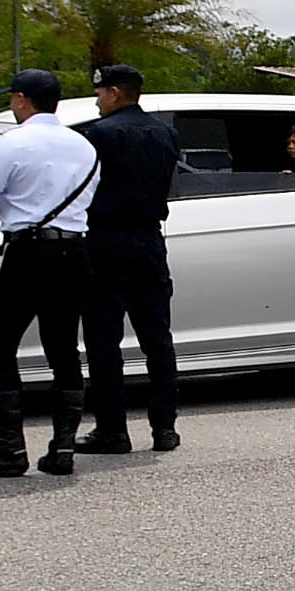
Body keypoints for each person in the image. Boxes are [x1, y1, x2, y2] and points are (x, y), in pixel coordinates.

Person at [0, 69, 102, 477]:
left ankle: (10, 449)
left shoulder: (9, 144)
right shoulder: (84, 146)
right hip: (73, 250)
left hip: (25, 250)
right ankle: (63, 448)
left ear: (22, 100)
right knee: (63, 348)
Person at [76, 61, 183, 452]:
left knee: (104, 339)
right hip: (150, 241)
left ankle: (112, 429)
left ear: (115, 93)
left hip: (107, 240)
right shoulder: (165, 133)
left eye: (100, 93)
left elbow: (85, 187)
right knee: (157, 338)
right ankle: (164, 427)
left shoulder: (100, 135)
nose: (98, 100)